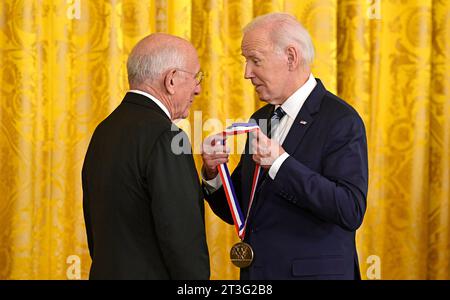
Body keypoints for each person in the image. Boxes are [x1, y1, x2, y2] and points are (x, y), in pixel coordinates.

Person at [202, 13, 368, 279]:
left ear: (291, 57)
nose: (247, 74)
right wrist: (213, 174)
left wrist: (280, 163)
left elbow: (349, 210)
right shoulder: (261, 119)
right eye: (246, 62)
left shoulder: (341, 119)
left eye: (255, 61)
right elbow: (239, 211)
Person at [82, 33, 210, 279]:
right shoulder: (168, 137)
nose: (198, 88)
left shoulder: (104, 130)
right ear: (171, 80)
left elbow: (96, 232)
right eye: (196, 77)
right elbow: (182, 240)